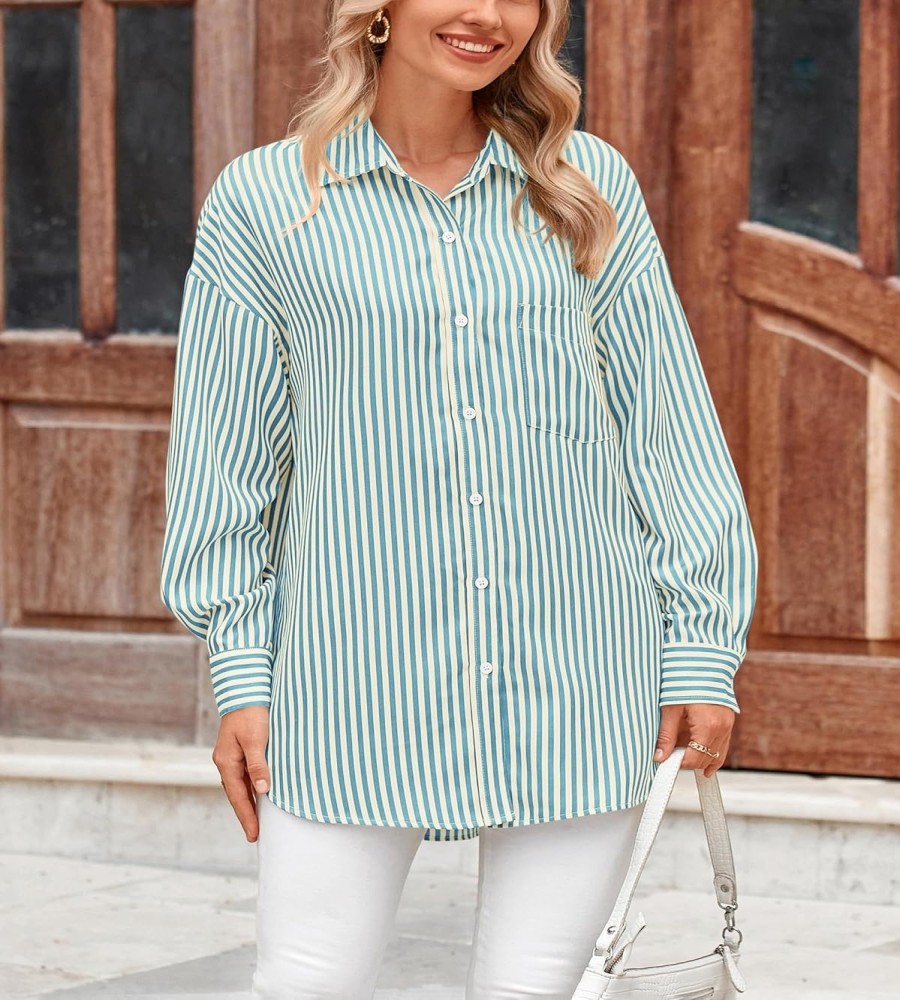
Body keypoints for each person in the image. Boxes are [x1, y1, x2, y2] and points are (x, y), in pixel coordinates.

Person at [159, 1, 758, 997]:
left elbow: (666, 426)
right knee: (307, 982)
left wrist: (702, 645)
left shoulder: (583, 184)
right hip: (351, 679)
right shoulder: (267, 201)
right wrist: (243, 672)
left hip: (577, 671)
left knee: (539, 989)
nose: (487, 14)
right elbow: (226, 462)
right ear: (380, 10)